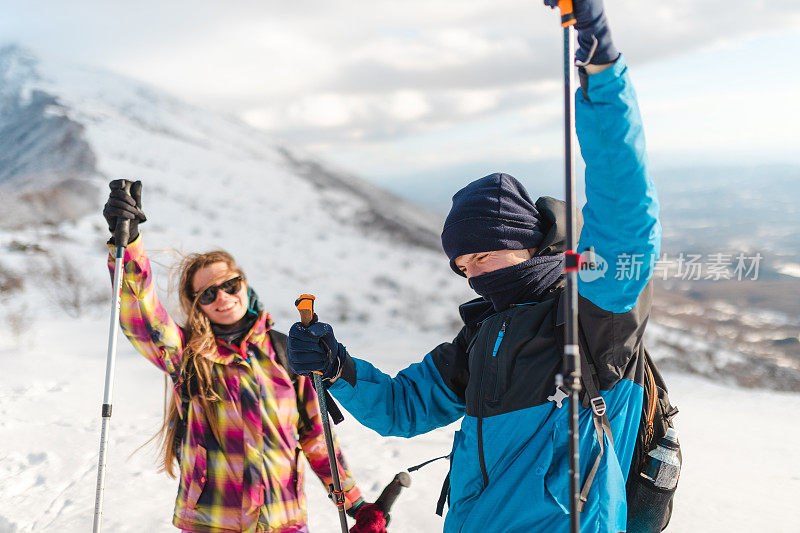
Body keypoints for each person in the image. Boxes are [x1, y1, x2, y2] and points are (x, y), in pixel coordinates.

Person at [286, 1, 660, 532]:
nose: (477, 275)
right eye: (463, 267)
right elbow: (402, 407)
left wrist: (601, 73)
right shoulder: (484, 338)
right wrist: (339, 367)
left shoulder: (593, 317)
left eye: (484, 255)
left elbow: (625, 208)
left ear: (529, 245)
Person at [102, 180, 365, 533]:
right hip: (211, 523)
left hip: (283, 521)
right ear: (197, 304)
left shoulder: (287, 351)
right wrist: (129, 245)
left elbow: (317, 437)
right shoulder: (188, 356)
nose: (223, 297)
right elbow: (142, 318)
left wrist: (356, 504)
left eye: (230, 285)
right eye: (208, 294)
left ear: (244, 284)